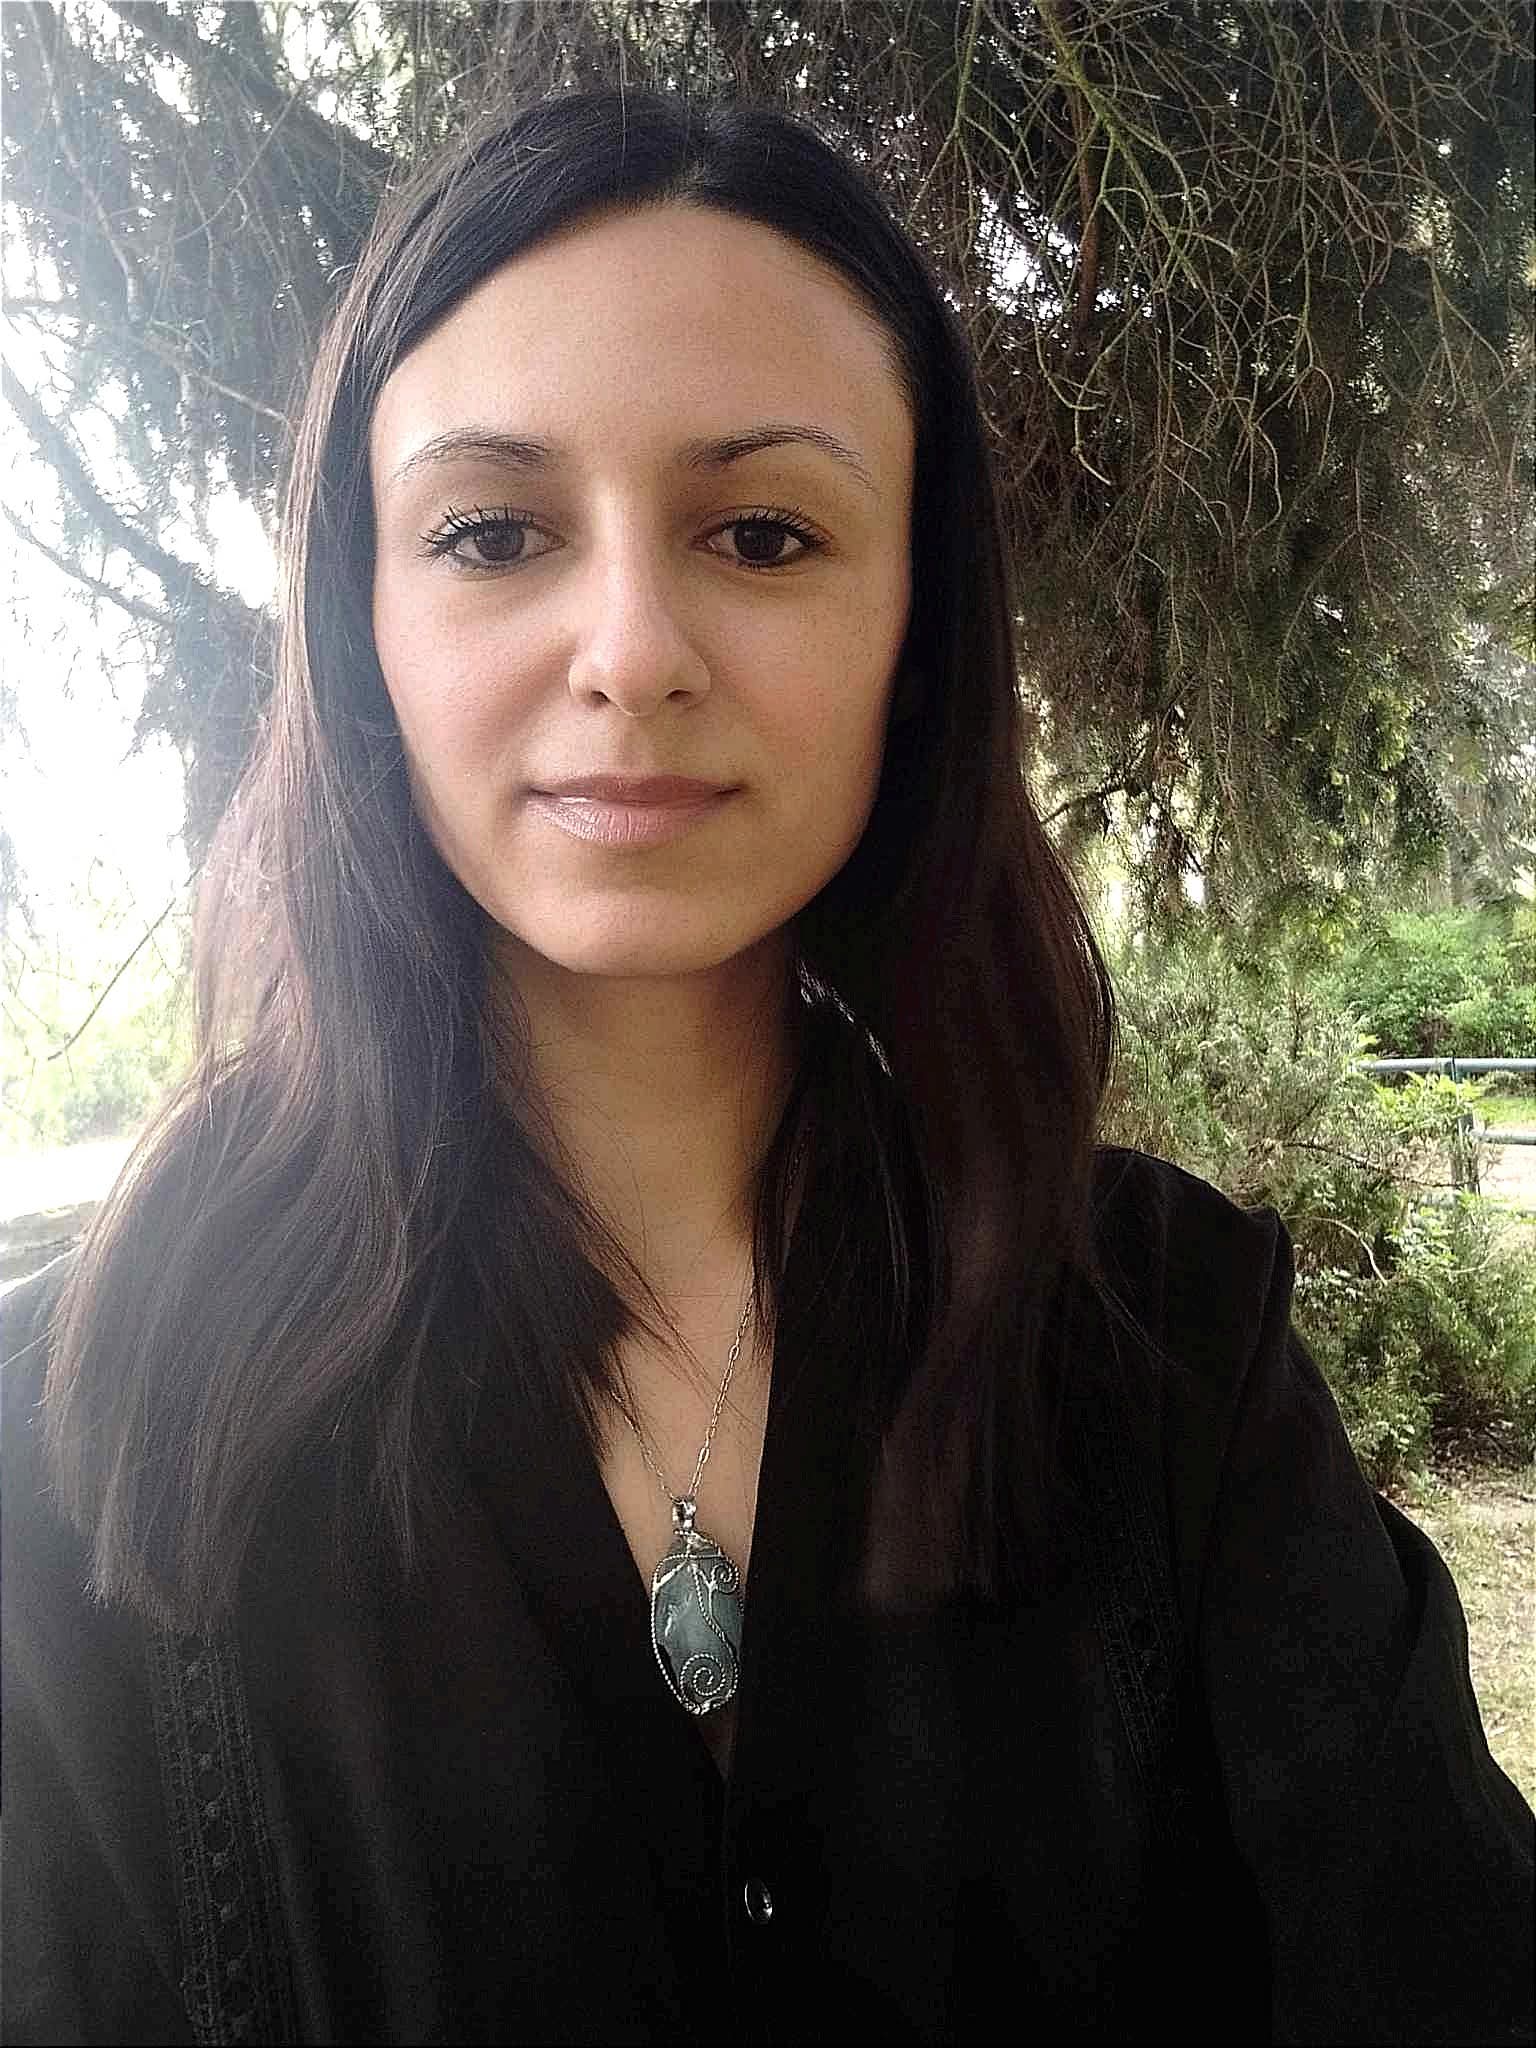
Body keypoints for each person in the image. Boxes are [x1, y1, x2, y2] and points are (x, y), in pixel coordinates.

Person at [2, 83, 1531, 2048]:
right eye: (493, 532)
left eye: (763, 531)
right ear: (357, 624)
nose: (630, 648)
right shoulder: (74, 1440)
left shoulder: (1169, 1343)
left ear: (917, 634)